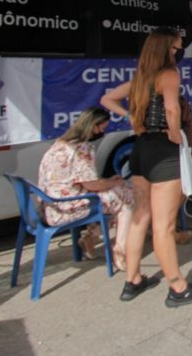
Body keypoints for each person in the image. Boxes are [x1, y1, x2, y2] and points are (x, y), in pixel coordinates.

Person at [101, 27, 192, 307]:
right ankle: (178, 287)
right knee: (164, 226)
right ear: (165, 48)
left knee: (141, 217)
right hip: (164, 153)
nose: (179, 51)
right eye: (176, 47)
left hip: (141, 150)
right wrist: (175, 134)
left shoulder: (140, 77)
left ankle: (133, 279)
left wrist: (131, 116)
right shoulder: (169, 74)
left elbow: (107, 99)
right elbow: (172, 109)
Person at [38, 108, 132, 272]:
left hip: (49, 206)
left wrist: (109, 182)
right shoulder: (82, 148)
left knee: (115, 196)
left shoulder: (59, 144)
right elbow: (92, 185)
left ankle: (90, 239)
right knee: (127, 200)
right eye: (101, 127)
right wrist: (112, 183)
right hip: (66, 209)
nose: (102, 131)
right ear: (92, 126)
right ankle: (120, 250)